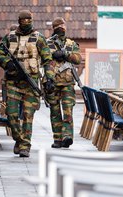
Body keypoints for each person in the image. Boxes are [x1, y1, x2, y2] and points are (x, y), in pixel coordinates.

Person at [0, 10, 55, 157]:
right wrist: (7, 63)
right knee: (11, 115)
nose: (27, 24)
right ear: (19, 21)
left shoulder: (38, 38)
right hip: (13, 83)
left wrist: (49, 78)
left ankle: (25, 146)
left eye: (29, 21)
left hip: (31, 83)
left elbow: (48, 60)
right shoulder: (10, 37)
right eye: (24, 21)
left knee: (28, 115)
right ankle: (19, 140)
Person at [46, 17, 82, 148]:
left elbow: (78, 59)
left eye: (63, 26)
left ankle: (67, 137)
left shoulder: (71, 44)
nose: (62, 28)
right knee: (55, 112)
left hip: (67, 82)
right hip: (52, 82)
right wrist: (53, 55)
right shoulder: (46, 43)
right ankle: (57, 139)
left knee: (68, 110)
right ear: (53, 29)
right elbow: (42, 60)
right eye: (58, 26)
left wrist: (65, 54)